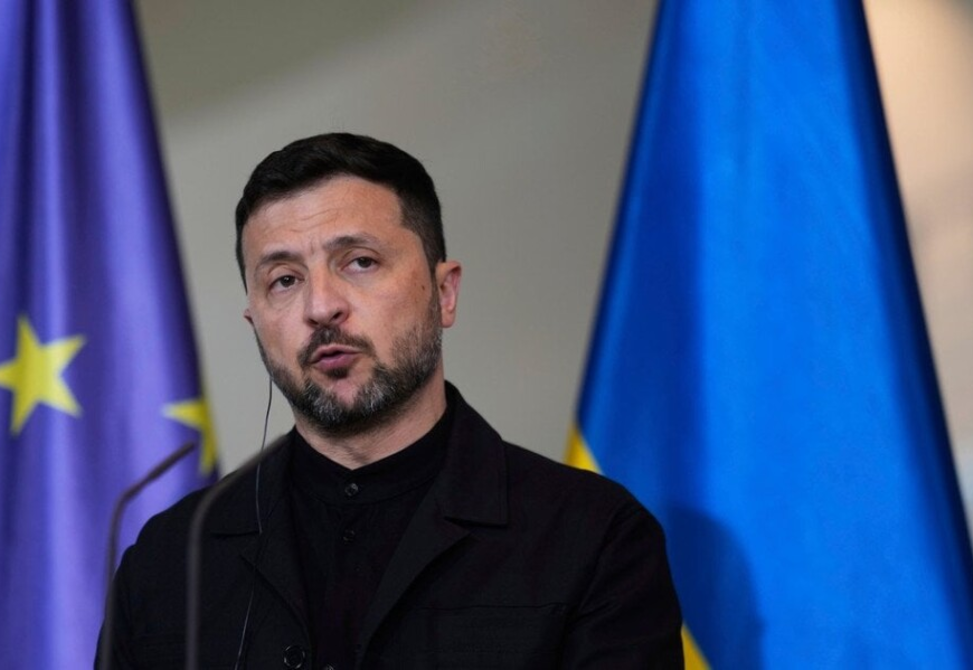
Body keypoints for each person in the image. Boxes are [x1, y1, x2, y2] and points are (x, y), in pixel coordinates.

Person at [99, 133, 683, 669]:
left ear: (444, 293)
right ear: (256, 322)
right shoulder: (170, 560)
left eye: (360, 262)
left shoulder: (593, 537)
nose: (320, 307)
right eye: (284, 279)